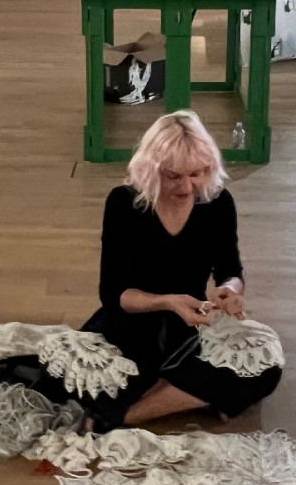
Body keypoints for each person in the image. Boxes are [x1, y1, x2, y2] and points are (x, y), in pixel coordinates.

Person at [81, 110, 282, 426]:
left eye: (196, 174)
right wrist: (167, 301)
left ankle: (128, 414)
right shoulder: (124, 203)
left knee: (265, 364)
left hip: (190, 325)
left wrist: (229, 290)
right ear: (150, 170)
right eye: (174, 176)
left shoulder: (218, 203)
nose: (187, 187)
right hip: (130, 325)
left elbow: (230, 269)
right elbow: (113, 294)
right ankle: (193, 394)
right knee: (79, 376)